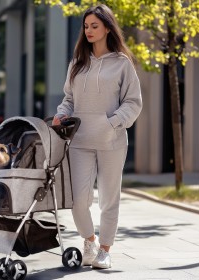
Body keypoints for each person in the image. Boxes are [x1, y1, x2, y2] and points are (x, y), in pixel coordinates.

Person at [52, 4, 142, 269]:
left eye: (95, 26)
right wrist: (60, 114)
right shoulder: (77, 63)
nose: (89, 31)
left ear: (107, 28)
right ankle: (89, 240)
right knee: (79, 200)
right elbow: (69, 99)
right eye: (86, 26)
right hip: (79, 141)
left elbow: (133, 102)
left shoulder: (122, 63)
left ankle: (104, 249)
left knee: (109, 198)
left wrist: (112, 123)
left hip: (112, 141)